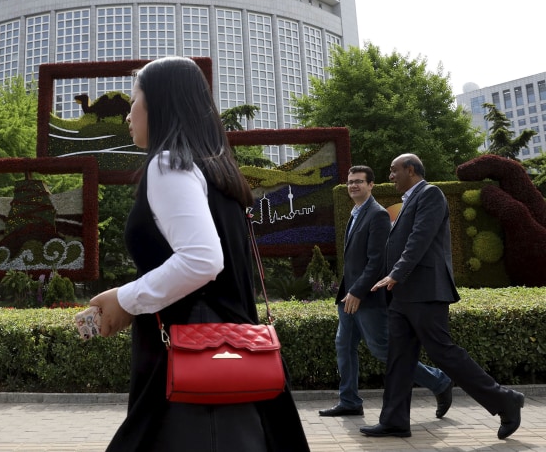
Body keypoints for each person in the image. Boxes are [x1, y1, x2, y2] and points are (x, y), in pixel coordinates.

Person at [89, 56, 310, 451]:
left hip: (192, 360)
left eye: (134, 99)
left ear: (159, 103)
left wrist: (125, 299)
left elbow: (201, 260)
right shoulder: (218, 171)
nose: (127, 115)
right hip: (235, 351)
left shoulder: (169, 163)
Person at [360, 153, 525, 440]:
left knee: (443, 353)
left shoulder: (430, 194)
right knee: (399, 358)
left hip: (425, 290)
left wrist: (396, 273)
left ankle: (505, 401)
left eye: (394, 170)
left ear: (411, 169)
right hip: (402, 294)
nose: (390, 176)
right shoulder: (411, 199)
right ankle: (394, 421)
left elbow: (419, 238)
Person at [319, 165, 454, 418]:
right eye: (350, 182)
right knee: (344, 345)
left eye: (359, 181)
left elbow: (377, 261)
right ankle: (349, 401)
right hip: (347, 297)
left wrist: (358, 291)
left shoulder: (377, 215)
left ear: (371, 185)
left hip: (367, 296)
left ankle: (439, 382)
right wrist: (348, 291)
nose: (353, 186)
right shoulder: (355, 214)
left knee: (382, 349)